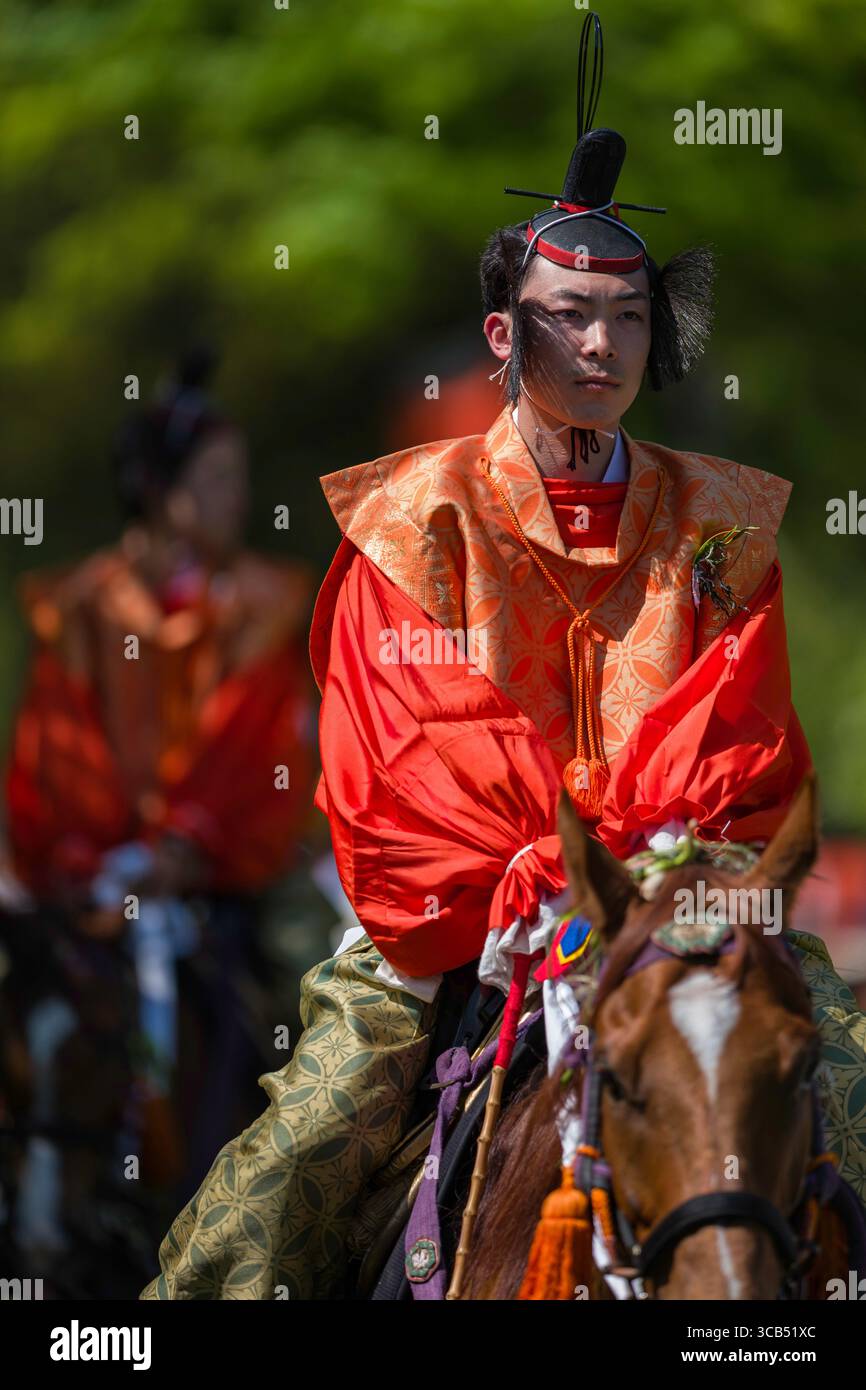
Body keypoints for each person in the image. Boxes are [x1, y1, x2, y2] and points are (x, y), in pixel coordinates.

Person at [141, 16, 862, 1301]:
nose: (601, 347)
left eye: (628, 320)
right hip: (459, 930)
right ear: (500, 339)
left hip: (680, 908)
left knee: (849, 1091)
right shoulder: (412, 523)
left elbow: (738, 738)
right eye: (568, 319)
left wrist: (641, 876)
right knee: (248, 1224)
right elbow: (409, 755)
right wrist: (542, 868)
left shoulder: (720, 525)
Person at [3, 349, 317, 1272]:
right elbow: (50, 754)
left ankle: (310, 1221)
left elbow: (259, 749)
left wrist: (188, 845)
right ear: (160, 490)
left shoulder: (260, 604)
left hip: (229, 881)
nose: (237, 498)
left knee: (323, 997)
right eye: (219, 479)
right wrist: (84, 857)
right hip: (90, 882)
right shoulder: (76, 608)